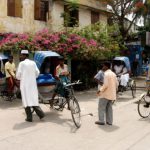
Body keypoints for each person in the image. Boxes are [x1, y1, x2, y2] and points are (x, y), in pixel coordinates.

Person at [16, 50, 45, 122]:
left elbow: (18, 75)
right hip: (32, 85)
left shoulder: (21, 64)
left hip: (25, 85)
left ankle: (29, 118)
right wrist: (32, 77)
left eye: (21, 55)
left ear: (25, 55)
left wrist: (22, 78)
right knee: (33, 99)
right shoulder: (33, 63)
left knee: (26, 100)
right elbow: (37, 73)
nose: (20, 56)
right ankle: (41, 114)